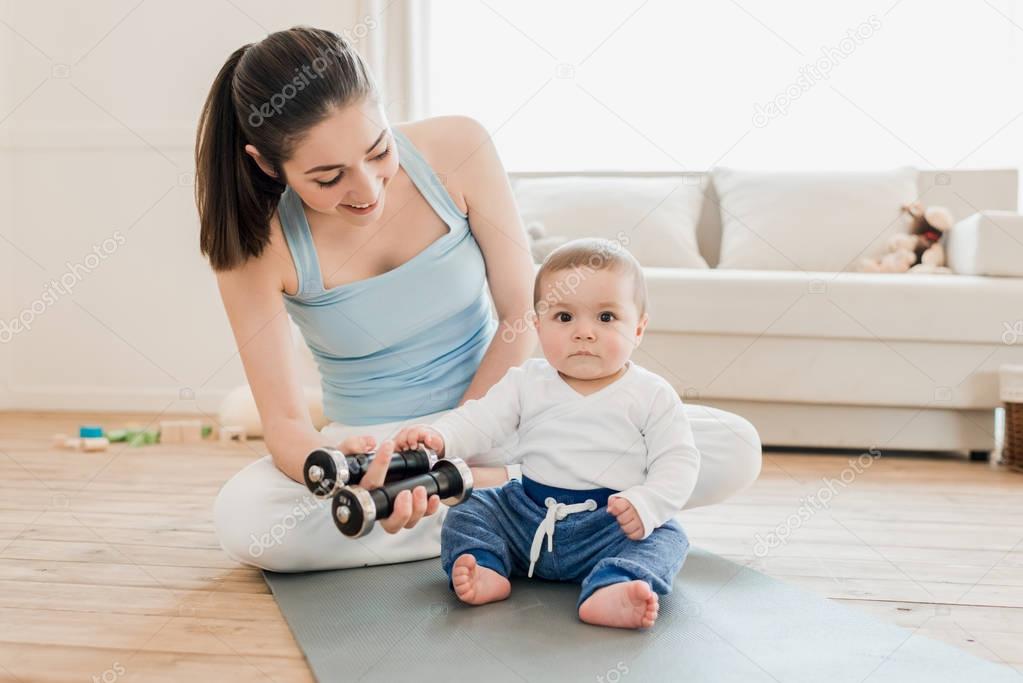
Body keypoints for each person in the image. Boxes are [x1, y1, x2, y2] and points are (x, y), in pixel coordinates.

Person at [195, 26, 762, 573]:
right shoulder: (253, 245)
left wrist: (460, 447)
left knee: (733, 445)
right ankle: (531, 510)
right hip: (382, 448)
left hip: (507, 413)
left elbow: (521, 313)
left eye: (378, 151)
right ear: (268, 164)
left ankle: (475, 510)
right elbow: (288, 425)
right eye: (328, 177)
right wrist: (351, 475)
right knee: (246, 520)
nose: (367, 188)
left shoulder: (458, 146)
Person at [391, 239, 694, 629]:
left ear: (638, 328)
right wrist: (440, 437)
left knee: (669, 535)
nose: (584, 333)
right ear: (537, 326)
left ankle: (614, 583)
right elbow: (479, 419)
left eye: (605, 318)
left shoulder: (651, 394)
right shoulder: (526, 382)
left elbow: (679, 460)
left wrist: (648, 504)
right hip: (526, 515)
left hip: (609, 524)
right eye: (564, 318)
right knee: (469, 508)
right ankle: (486, 565)